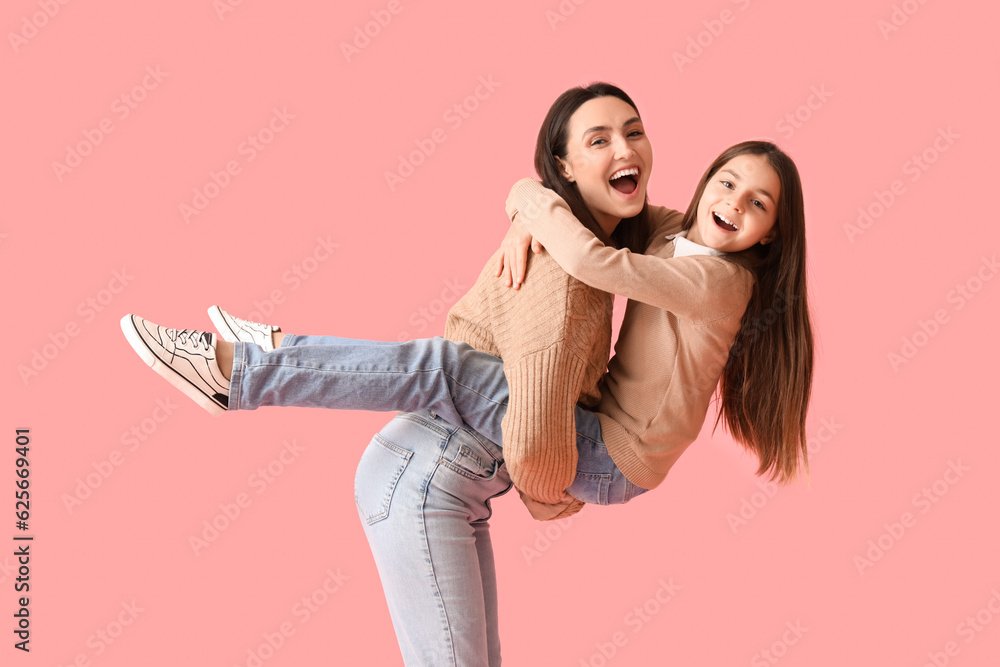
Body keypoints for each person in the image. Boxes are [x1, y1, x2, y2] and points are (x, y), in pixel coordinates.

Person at [121, 100, 814, 665]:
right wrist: (525, 208)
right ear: (705, 182)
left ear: (768, 236)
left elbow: (597, 261)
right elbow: (557, 203)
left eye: (758, 203)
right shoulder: (673, 233)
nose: (734, 202)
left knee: (441, 368)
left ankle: (241, 370)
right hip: (569, 443)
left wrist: (534, 212)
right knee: (442, 371)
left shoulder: (721, 280)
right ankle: (260, 353)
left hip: (607, 453)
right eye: (726, 181)